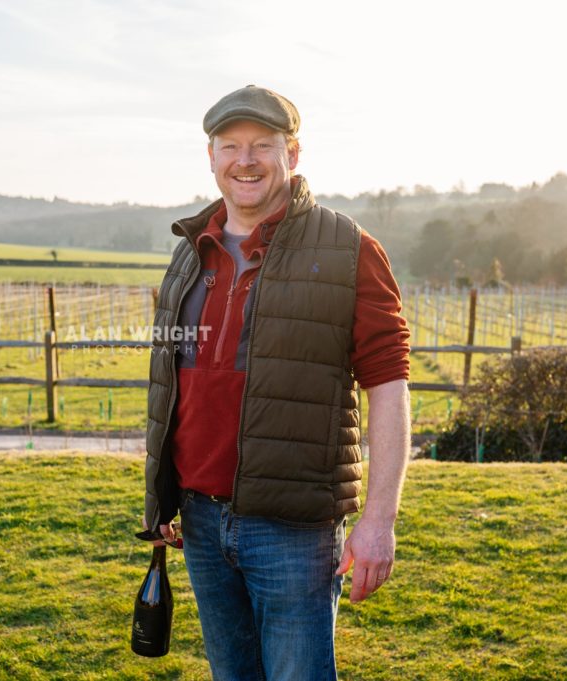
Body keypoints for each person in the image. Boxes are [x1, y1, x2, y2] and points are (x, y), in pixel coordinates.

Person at [138, 85, 412, 680]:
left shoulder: (347, 249)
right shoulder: (190, 251)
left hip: (294, 530)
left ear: (293, 152)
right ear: (210, 156)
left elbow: (389, 385)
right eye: (230, 146)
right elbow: (171, 388)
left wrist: (379, 521)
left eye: (263, 144)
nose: (246, 160)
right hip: (200, 520)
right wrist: (160, 495)